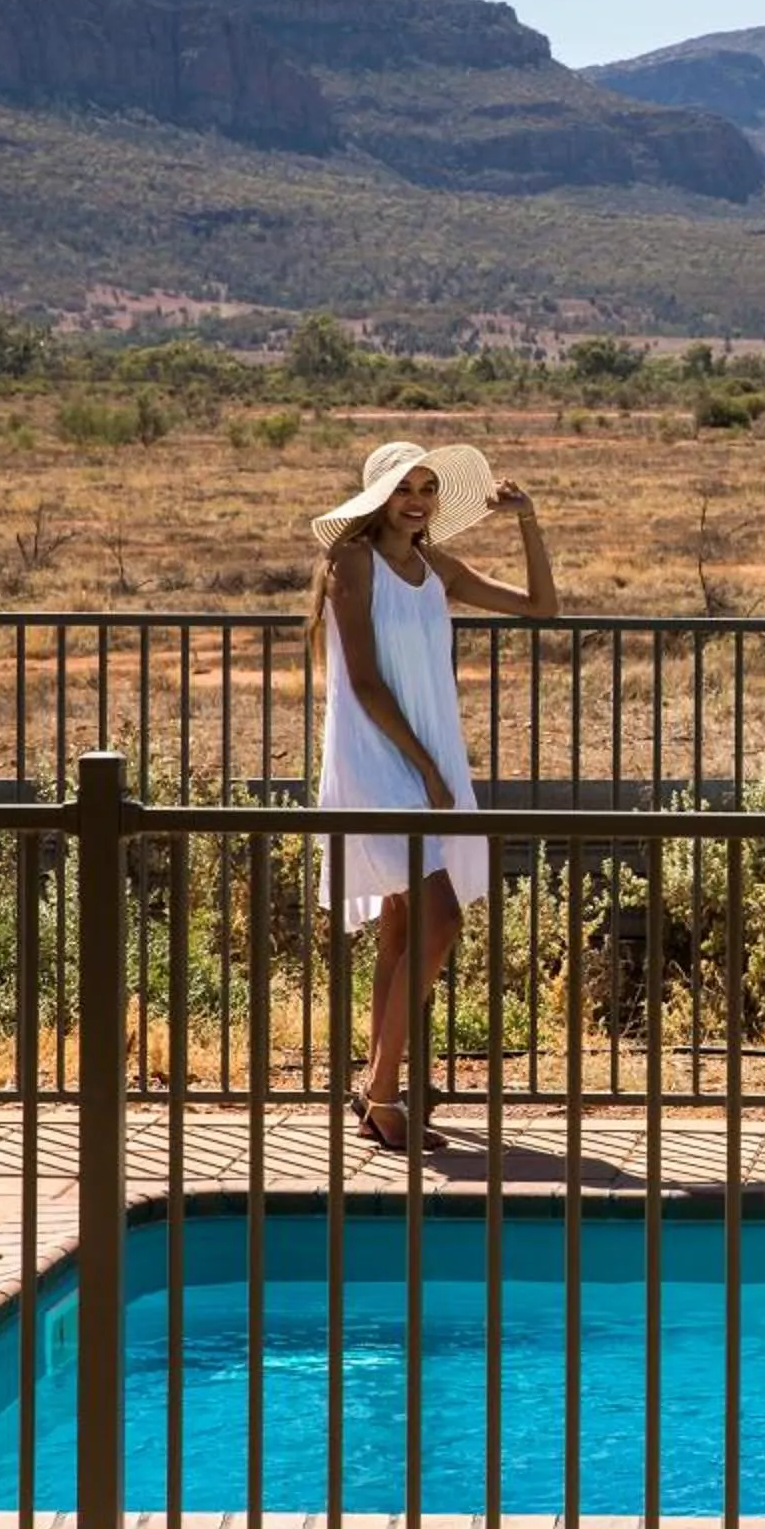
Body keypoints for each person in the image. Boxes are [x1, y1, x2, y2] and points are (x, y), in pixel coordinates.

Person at [307, 439, 558, 1149]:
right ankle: (384, 1096)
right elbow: (362, 681)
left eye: (426, 487)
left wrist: (527, 522)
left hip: (426, 760)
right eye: (401, 488)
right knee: (440, 917)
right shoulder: (351, 563)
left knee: (404, 924)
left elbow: (542, 607)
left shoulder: (433, 566)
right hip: (380, 760)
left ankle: (374, 1087)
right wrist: (427, 770)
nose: (416, 499)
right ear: (376, 499)